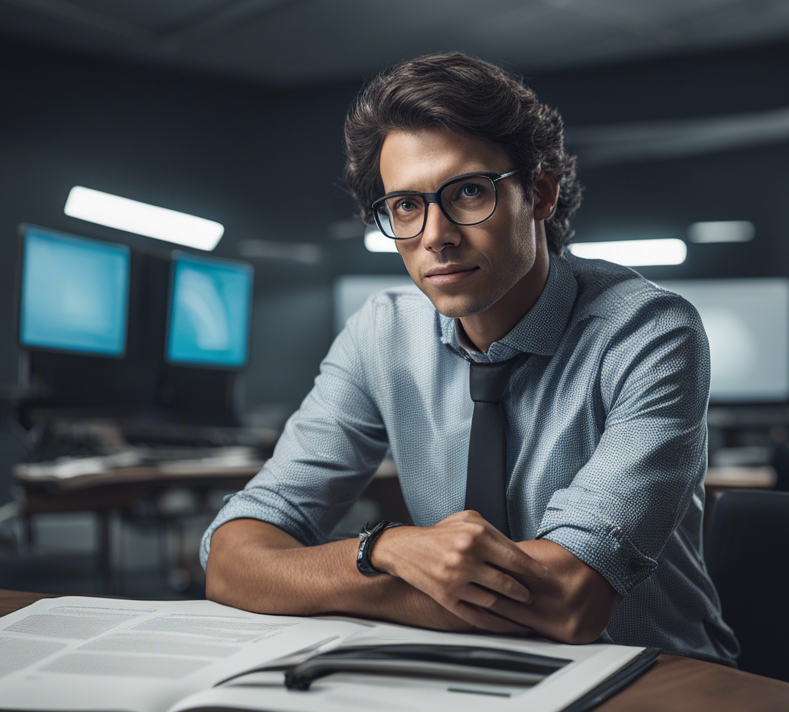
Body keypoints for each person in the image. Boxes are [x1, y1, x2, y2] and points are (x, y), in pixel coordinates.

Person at [201, 52, 738, 663]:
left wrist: (322, 576)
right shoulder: (383, 333)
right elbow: (231, 560)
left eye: (469, 192)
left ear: (538, 193)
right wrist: (385, 549)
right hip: (462, 678)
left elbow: (568, 598)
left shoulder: (647, 332)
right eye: (405, 206)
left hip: (656, 686)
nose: (436, 234)